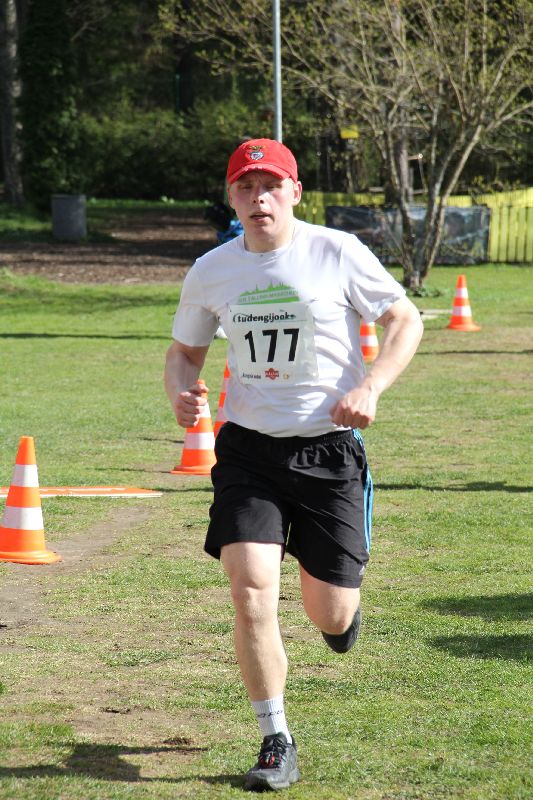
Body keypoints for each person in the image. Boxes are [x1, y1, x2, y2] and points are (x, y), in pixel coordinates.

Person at [164, 138, 423, 791]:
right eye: (245, 187)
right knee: (251, 587)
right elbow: (184, 353)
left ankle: (342, 612)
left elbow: (404, 319)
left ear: (294, 192)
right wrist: (180, 391)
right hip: (248, 450)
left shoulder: (335, 251)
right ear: (231, 198)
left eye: (271, 186)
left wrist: (371, 387)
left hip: (328, 449)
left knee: (329, 613)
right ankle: (275, 738)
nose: (259, 199)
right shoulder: (212, 270)